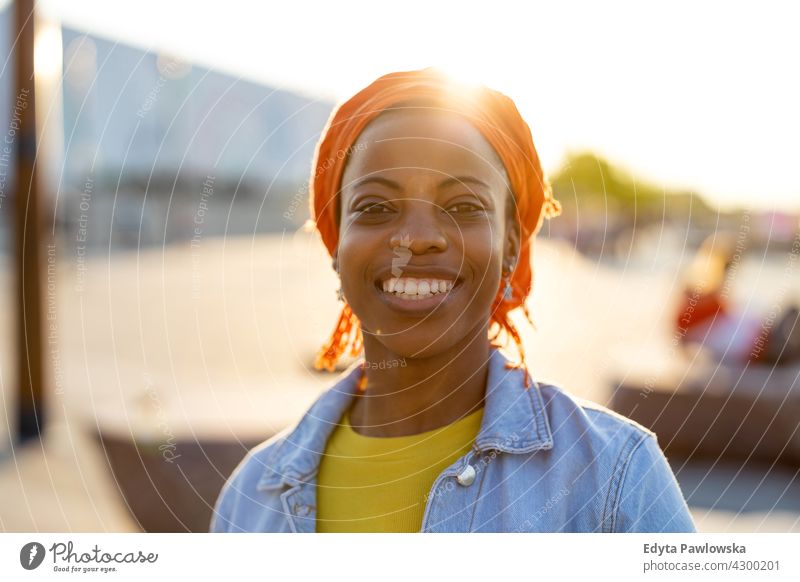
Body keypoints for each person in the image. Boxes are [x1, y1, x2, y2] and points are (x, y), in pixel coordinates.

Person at [210, 68, 696, 533]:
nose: (417, 238)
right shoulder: (251, 499)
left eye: (464, 206)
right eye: (375, 207)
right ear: (336, 243)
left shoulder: (614, 479)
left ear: (510, 244)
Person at [675, 233, 800, 366]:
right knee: (792, 314)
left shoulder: (702, 291)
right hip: (754, 345)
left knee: (790, 315)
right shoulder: (701, 293)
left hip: (753, 341)